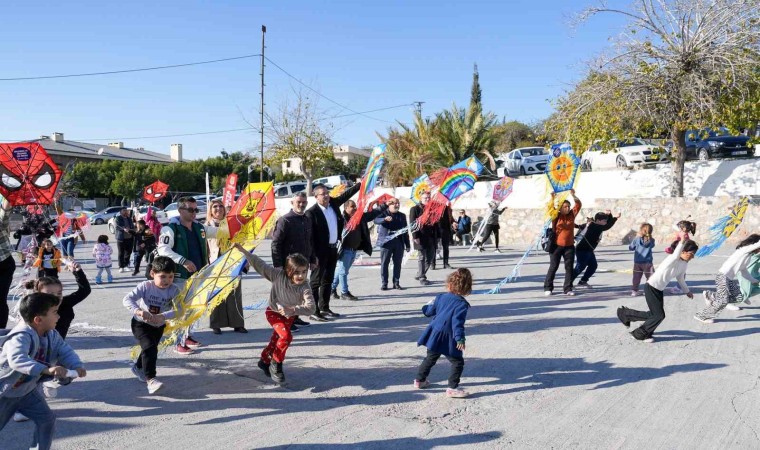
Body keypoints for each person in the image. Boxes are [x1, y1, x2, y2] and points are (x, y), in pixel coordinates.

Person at [0, 292, 87, 450]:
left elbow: (64, 350)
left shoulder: (52, 335)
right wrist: (47, 369)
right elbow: (17, 360)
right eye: (54, 312)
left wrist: (76, 365)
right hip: (5, 393)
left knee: (46, 420)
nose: (58, 317)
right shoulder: (20, 337)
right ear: (38, 320)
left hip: (26, 392)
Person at [234, 244, 315, 384]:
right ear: (288, 270)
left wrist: (294, 310)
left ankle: (264, 360)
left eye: (304, 272)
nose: (300, 276)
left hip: (289, 316)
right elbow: (260, 265)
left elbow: (311, 308)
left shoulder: (305, 286)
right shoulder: (278, 275)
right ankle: (276, 364)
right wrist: (244, 251)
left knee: (276, 340)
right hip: (273, 312)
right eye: (296, 272)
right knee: (286, 336)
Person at [157, 197, 218, 355]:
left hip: (199, 275)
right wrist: (183, 261)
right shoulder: (170, 229)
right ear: (180, 210)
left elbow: (220, 232)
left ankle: (187, 335)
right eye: (190, 209)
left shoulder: (199, 227)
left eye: (196, 210)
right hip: (179, 276)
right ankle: (178, 342)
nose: (194, 213)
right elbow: (163, 249)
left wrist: (241, 225)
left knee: (193, 309)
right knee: (179, 310)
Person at [617, 236, 698, 342]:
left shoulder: (683, 264)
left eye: (693, 254)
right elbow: (675, 254)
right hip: (651, 287)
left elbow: (680, 278)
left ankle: (626, 314)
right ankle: (639, 334)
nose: (692, 257)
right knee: (659, 315)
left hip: (658, 289)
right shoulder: (672, 259)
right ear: (682, 251)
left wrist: (687, 291)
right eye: (690, 254)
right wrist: (682, 240)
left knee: (654, 315)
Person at [123, 256, 180, 394]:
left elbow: (179, 310)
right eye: (163, 277)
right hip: (140, 324)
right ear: (153, 273)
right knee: (149, 347)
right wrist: (139, 311)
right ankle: (151, 379)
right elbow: (127, 299)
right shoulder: (145, 286)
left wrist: (163, 316)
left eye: (171, 277)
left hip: (158, 325)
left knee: (149, 348)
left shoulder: (174, 290)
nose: (167, 281)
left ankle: (138, 367)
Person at [414, 268, 472, 398]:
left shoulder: (440, 297)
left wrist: (425, 305)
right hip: (449, 337)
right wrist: (460, 339)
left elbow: (428, 312)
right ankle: (452, 388)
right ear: (467, 288)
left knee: (430, 358)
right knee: (457, 362)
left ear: (449, 284)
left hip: (435, 333)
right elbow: (457, 324)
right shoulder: (462, 304)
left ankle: (419, 381)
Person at [306, 183, 361, 321]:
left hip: (333, 249)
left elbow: (346, 195)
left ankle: (324, 307)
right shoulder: (311, 213)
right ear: (316, 196)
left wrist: (361, 184)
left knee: (327, 280)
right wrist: (312, 257)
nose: (326, 196)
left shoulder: (333, 204)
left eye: (327, 193)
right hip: (319, 252)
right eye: (323, 194)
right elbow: (309, 237)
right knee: (315, 282)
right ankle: (314, 311)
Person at [271, 192, 316, 331]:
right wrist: (278, 265)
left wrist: (312, 259)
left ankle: (295, 317)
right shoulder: (285, 220)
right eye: (298, 202)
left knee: (298, 294)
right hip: (289, 266)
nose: (301, 204)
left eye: (304, 202)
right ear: (292, 203)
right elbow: (276, 244)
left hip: (302, 265)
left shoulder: (307, 219)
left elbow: (310, 242)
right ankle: (285, 322)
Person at [695, 234, 760, 322]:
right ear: (754, 244)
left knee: (739, 297)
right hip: (722, 276)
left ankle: (712, 296)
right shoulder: (744, 249)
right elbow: (758, 244)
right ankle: (702, 316)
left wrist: (754, 281)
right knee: (723, 301)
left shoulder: (747, 257)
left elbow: (744, 272)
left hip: (729, 279)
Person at [330, 199, 386, 300]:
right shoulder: (341, 219)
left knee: (341, 270)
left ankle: (331, 289)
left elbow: (373, 213)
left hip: (354, 250)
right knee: (343, 271)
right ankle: (344, 292)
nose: (355, 208)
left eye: (355, 206)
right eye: (352, 206)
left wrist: (385, 205)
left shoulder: (359, 217)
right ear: (346, 208)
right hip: (344, 249)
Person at [206, 199, 246, 334]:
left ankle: (238, 323)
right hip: (215, 264)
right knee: (216, 294)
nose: (218, 209)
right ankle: (216, 324)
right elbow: (204, 248)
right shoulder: (205, 226)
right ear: (210, 210)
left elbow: (243, 244)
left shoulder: (233, 224)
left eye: (220, 206)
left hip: (232, 263)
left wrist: (245, 263)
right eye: (214, 207)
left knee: (235, 294)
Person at [25, 263, 91, 340]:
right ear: (38, 294)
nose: (56, 296)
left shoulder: (65, 304)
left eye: (59, 293)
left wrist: (78, 272)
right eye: (50, 293)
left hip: (59, 346)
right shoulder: (33, 308)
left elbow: (85, 291)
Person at [543, 190, 582, 296]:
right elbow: (550, 209)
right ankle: (548, 288)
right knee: (553, 267)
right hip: (556, 246)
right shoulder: (556, 216)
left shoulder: (572, 215)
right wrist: (552, 198)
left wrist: (573, 195)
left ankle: (568, 288)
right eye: (565, 207)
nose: (567, 208)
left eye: (568, 206)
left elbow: (578, 204)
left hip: (569, 246)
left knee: (569, 268)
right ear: (560, 208)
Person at [572, 210, 620, 288]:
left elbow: (607, 224)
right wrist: (615, 218)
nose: (605, 222)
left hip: (589, 250)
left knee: (593, 266)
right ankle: (569, 282)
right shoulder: (594, 226)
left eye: (606, 221)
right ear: (598, 220)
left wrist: (609, 215)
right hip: (582, 249)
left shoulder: (596, 225)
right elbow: (608, 226)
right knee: (580, 266)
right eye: (604, 221)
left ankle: (583, 281)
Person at [375, 197, 411, 290]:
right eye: (394, 203)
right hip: (386, 243)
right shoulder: (383, 213)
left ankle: (396, 282)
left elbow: (405, 231)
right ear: (389, 204)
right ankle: (384, 283)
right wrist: (384, 219)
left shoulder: (402, 216)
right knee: (385, 263)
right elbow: (375, 220)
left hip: (399, 242)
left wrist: (407, 245)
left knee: (397, 264)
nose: (397, 205)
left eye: (398, 203)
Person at [409, 191, 439, 286]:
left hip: (431, 236)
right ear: (420, 199)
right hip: (420, 237)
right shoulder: (415, 209)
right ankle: (422, 277)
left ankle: (419, 273)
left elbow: (436, 224)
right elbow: (412, 224)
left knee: (430, 257)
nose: (427, 199)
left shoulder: (432, 209)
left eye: (428, 197)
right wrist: (415, 236)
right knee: (422, 257)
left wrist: (437, 236)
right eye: (425, 198)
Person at [0, 197, 16, 328]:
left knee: (0, 300)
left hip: (3, 264)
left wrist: (8, 190)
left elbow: (5, 212)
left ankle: (0, 332)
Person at [629, 223, 656, 296]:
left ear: (641, 230)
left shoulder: (636, 239)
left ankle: (634, 291)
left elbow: (631, 248)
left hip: (637, 262)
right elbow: (652, 246)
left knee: (636, 277)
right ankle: (649, 290)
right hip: (648, 262)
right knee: (651, 277)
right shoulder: (652, 240)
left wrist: (636, 239)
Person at [115, 208, 136, 273]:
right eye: (124, 211)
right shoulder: (118, 218)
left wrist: (133, 229)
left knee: (128, 252)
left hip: (129, 238)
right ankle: (121, 267)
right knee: (121, 253)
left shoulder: (129, 218)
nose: (126, 212)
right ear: (120, 212)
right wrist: (124, 228)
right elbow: (117, 226)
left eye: (126, 211)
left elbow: (132, 226)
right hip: (121, 238)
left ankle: (126, 265)